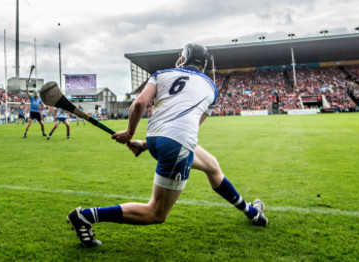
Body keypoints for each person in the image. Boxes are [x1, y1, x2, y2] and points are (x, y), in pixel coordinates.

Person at [67, 43, 268, 248]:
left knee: (212, 165)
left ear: (183, 59)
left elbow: (138, 103)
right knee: (156, 213)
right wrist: (132, 136)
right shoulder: (211, 87)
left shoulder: (161, 74)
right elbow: (191, 126)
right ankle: (86, 216)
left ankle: (252, 212)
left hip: (156, 139)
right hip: (178, 144)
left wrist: (135, 137)